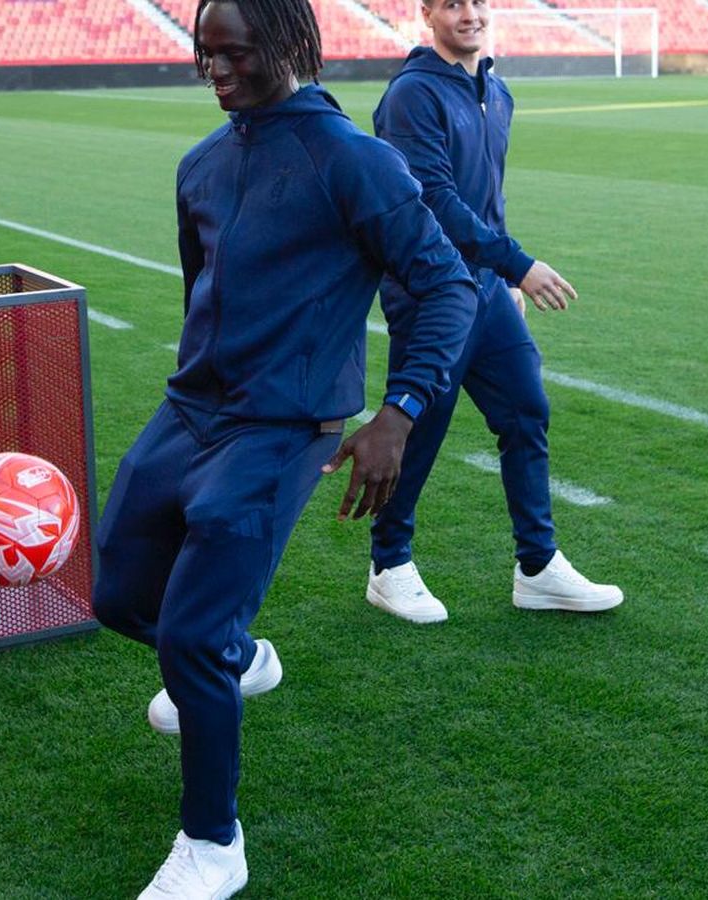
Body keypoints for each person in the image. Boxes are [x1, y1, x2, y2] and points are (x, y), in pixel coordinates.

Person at [90, 1, 479, 895]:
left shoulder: (353, 159)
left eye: (232, 52)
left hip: (284, 425)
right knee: (116, 594)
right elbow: (204, 296)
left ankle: (213, 848)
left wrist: (400, 411)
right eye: (203, 54)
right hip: (190, 412)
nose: (215, 70)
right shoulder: (200, 165)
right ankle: (238, 658)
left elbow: (447, 285)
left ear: (291, 45)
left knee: (187, 634)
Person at [363, 0, 623, 623]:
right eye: (453, 4)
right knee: (419, 428)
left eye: (478, 2)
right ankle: (388, 564)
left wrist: (504, 283)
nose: (470, 13)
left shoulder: (496, 89)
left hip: (487, 292)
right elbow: (434, 201)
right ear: (428, 14)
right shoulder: (413, 95)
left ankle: (537, 567)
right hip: (431, 292)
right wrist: (520, 266)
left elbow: (488, 196)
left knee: (526, 411)